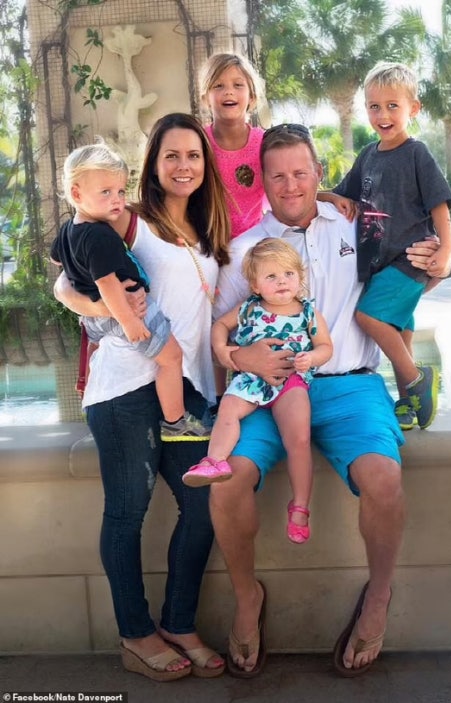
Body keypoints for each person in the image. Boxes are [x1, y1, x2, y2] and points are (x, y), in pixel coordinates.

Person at [208, 122, 451, 678]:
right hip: (269, 389)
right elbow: (220, 332)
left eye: (301, 173)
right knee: (227, 480)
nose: (290, 185)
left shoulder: (357, 224)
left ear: (319, 173)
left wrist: (443, 260)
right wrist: (240, 358)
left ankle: (378, 598)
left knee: (384, 479)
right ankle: (247, 598)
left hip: (350, 385)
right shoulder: (245, 250)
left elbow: (415, 263)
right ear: (262, 181)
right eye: (278, 176)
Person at [54, 113, 231, 681]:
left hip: (185, 388)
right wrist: (103, 309)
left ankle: (178, 622)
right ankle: (135, 633)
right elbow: (63, 277)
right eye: (171, 155)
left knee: (204, 504)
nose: (183, 165)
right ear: (153, 164)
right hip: (125, 388)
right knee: (128, 512)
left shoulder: (207, 227)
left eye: (193, 155)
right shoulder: (124, 218)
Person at [50, 142, 210, 441]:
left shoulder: (69, 230)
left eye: (121, 191)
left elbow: (58, 260)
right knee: (171, 358)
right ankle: (175, 421)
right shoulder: (99, 235)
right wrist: (130, 321)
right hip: (133, 310)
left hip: (96, 320)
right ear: (76, 194)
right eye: (106, 192)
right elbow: (107, 283)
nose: (117, 200)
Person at [182, 237, 333, 547]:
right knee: (228, 410)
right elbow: (220, 326)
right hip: (250, 379)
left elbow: (325, 346)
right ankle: (215, 461)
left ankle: (300, 506)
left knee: (299, 438)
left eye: (288, 274)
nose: (282, 282)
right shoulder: (249, 307)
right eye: (271, 276)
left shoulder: (308, 312)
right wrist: (223, 349)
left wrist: (312, 358)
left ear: (300, 277)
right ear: (255, 285)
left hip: (290, 379)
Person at [332, 62, 451, 431]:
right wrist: (322, 195)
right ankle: (408, 403)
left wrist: (446, 251)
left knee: (368, 317)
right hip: (380, 263)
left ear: (412, 109)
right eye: (374, 106)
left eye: (392, 106)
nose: (383, 115)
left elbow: (439, 205)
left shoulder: (417, 153)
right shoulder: (368, 155)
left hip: (409, 260)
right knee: (400, 331)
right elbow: (342, 193)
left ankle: (417, 379)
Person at [201, 52, 267, 239]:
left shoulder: (264, 143)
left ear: (252, 97)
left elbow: (286, 187)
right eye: (218, 86)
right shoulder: (199, 142)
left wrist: (327, 197)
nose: (228, 91)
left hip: (254, 242)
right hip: (207, 242)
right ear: (205, 99)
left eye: (238, 85)